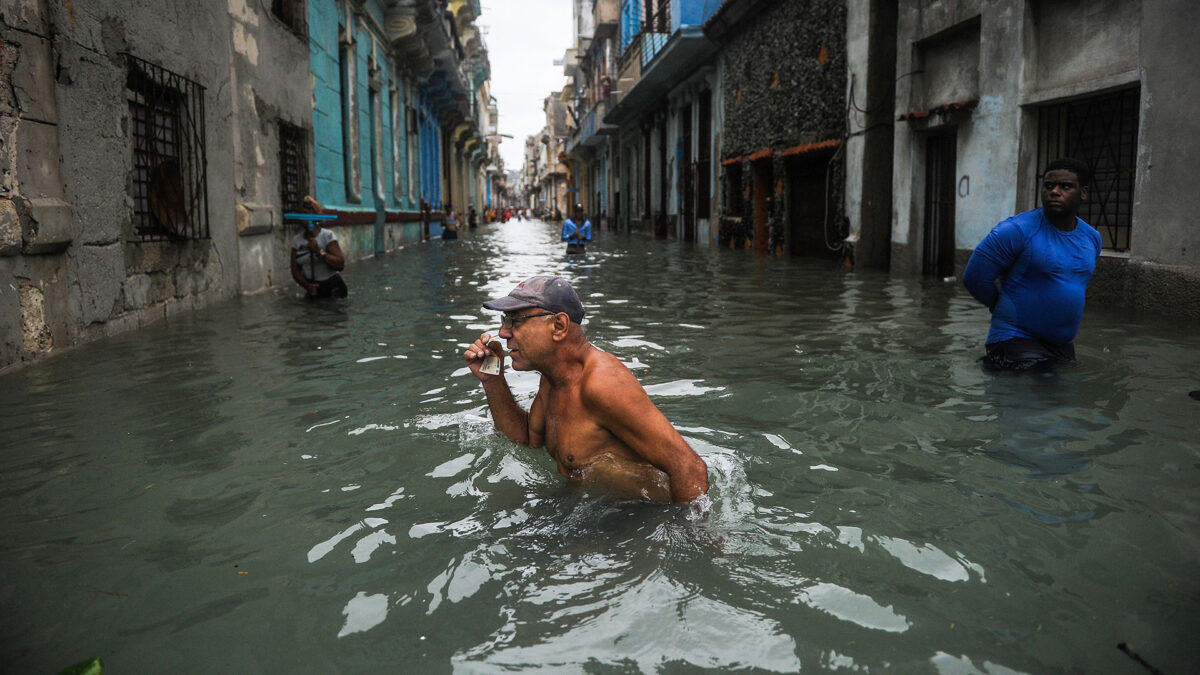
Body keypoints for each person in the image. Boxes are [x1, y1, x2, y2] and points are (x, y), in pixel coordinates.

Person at [462, 276, 709, 503]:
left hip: (638, 517)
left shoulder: (603, 384)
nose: (503, 333)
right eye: (505, 320)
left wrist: (687, 539)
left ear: (558, 325)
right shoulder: (552, 378)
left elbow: (689, 467)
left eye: (515, 321)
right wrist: (492, 379)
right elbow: (526, 439)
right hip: (592, 506)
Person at [962, 158, 1102, 372]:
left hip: (1061, 345)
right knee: (1034, 400)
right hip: (1015, 339)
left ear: (1083, 193)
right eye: (1048, 186)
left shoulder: (1092, 238)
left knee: (1061, 401)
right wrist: (999, 306)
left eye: (1065, 186)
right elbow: (974, 278)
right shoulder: (1015, 231)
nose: (1054, 191)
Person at [290, 196, 347, 299]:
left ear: (315, 216)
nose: (304, 217)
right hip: (313, 289)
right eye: (301, 213)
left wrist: (318, 251)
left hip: (333, 288)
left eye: (307, 213)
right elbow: (295, 271)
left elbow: (340, 264)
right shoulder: (297, 241)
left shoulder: (327, 236)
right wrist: (307, 286)